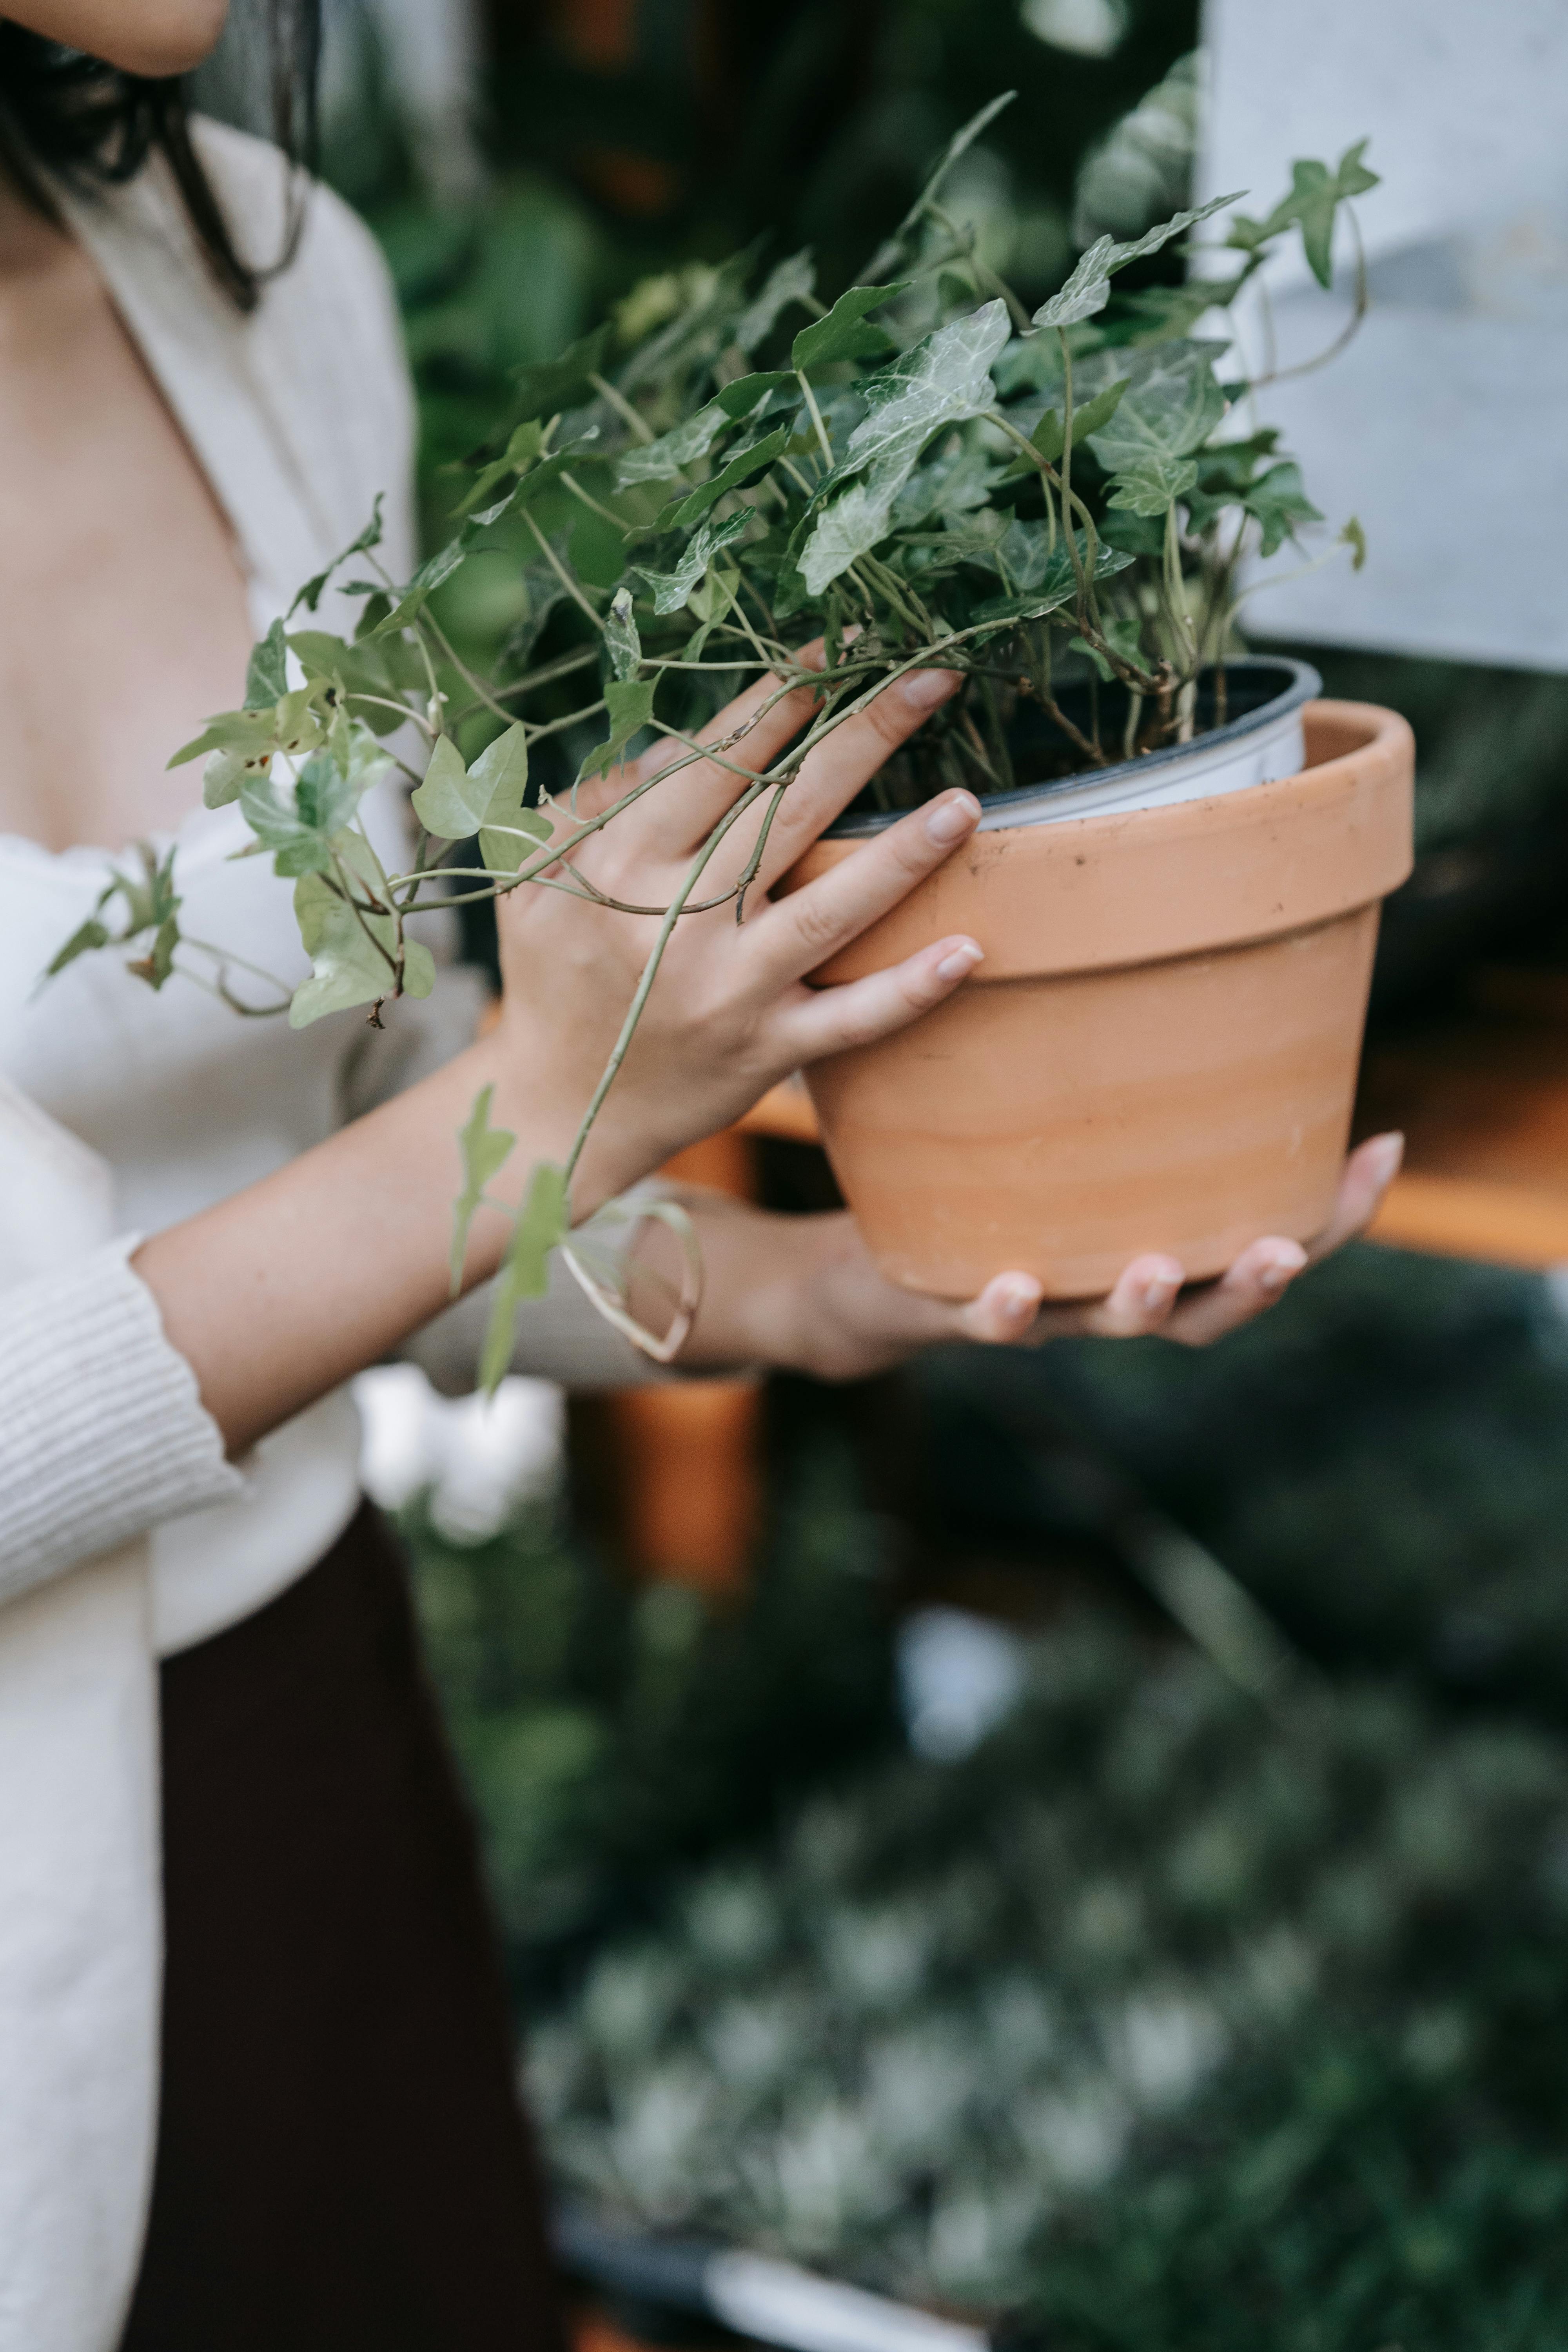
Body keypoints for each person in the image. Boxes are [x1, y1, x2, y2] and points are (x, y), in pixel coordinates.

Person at [0, 9, 1403, 2348]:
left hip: (309, 1754)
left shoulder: (256, 284)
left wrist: (849, 1287)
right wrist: (546, 1124)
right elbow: (473, 1159)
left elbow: (375, 1162)